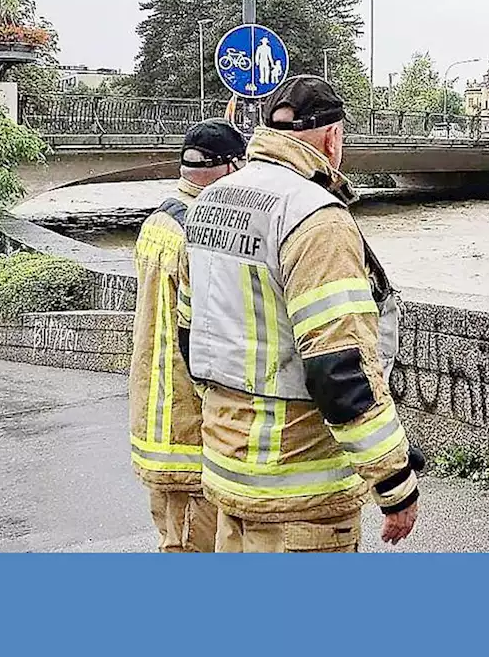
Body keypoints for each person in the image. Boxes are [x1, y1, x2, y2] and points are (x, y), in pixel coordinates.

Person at [184, 75, 421, 553]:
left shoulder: (211, 202)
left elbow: (192, 336)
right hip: (300, 489)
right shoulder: (315, 216)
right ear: (332, 138)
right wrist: (394, 481)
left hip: (229, 471)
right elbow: (339, 368)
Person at [128, 118, 247, 553]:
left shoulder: (159, 221)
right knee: (192, 545)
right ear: (230, 168)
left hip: (154, 411)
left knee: (172, 535)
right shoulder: (200, 232)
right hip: (189, 421)